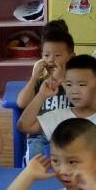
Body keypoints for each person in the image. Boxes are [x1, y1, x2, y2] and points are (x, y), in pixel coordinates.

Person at [20, 54, 96, 171]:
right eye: (69, 84)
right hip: (70, 182)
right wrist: (41, 96)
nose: (74, 90)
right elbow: (24, 125)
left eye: (81, 85)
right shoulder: (59, 115)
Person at [15, 20, 75, 160]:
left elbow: (80, 102)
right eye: (46, 55)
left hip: (68, 134)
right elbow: (21, 103)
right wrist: (34, 78)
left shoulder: (75, 80)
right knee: (37, 161)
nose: (51, 60)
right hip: (40, 134)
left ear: (71, 57)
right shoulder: (41, 80)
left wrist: (63, 80)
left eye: (57, 55)